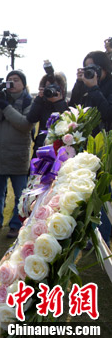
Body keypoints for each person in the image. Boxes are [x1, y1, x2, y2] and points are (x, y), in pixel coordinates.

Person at [0, 70, 34, 238]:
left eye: (15, 80)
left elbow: (25, 124)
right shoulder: (1, 98)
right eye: (9, 80)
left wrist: (5, 106)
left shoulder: (28, 101)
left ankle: (16, 224)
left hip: (18, 156)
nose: (11, 83)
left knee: (20, 194)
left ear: (23, 84)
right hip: (0, 154)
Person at [67, 51, 112, 246]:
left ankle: (102, 237)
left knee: (103, 194)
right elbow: (73, 108)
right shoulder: (85, 85)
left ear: (104, 69)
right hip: (87, 146)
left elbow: (108, 113)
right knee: (86, 192)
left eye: (93, 68)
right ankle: (88, 235)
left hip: (106, 146)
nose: (90, 72)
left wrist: (94, 88)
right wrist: (79, 84)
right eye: (87, 68)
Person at [26, 72, 68, 155]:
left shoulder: (66, 104)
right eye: (48, 87)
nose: (51, 90)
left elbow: (66, 119)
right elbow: (31, 118)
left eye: (55, 87)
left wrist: (58, 102)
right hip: (41, 148)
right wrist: (38, 99)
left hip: (61, 150)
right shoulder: (41, 103)